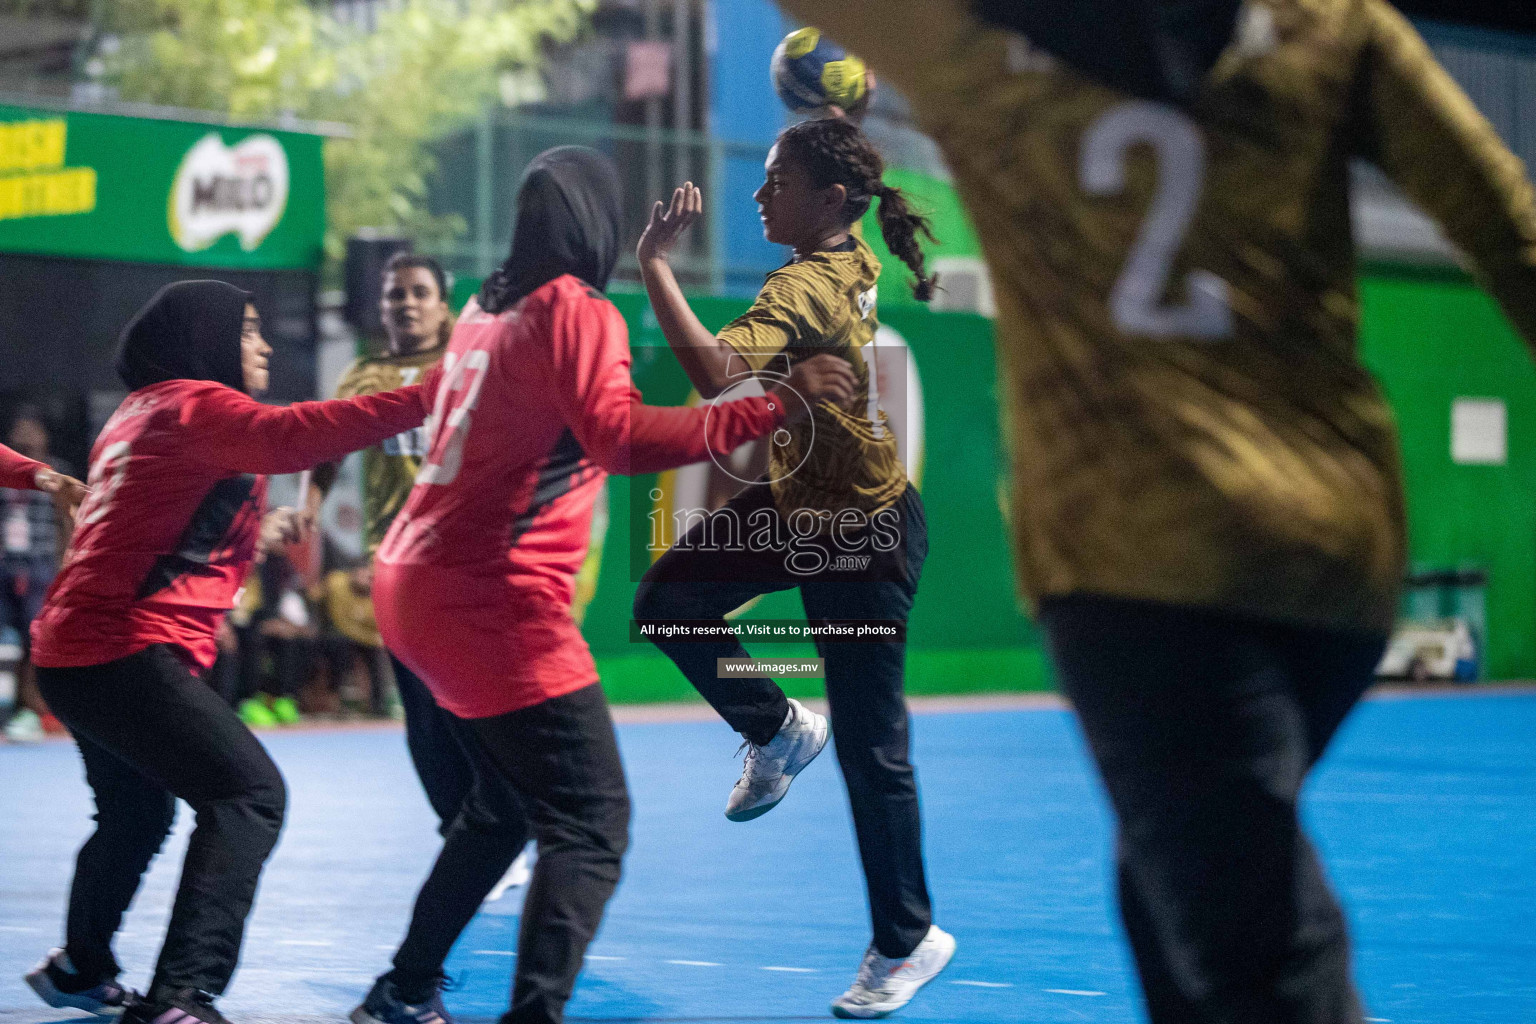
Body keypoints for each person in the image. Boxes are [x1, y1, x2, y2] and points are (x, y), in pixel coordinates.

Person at [765, 2, 1536, 1022]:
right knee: (1171, 889)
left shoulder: (983, 53)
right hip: (1337, 556)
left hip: (1142, 561)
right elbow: (1509, 228)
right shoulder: (1332, 27)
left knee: (1256, 954)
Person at [357, 145, 855, 1024]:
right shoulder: (574, 310)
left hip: (408, 586)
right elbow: (618, 440)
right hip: (489, 599)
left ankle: (401, 992)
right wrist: (777, 403)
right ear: (597, 222)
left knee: (502, 808)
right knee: (590, 827)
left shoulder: (482, 307)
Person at [23, 280, 442, 1024]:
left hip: (73, 652)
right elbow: (308, 432)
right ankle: (182, 998)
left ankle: (80, 968)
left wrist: (262, 530)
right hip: (126, 649)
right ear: (205, 340)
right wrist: (444, 389)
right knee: (248, 797)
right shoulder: (199, 406)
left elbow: (165, 528)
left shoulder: (140, 413)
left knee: (134, 816)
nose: (265, 345)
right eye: (248, 331)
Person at [631, 117, 951, 1020]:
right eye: (764, 176)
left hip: (863, 536)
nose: (761, 193)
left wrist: (654, 263)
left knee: (872, 748)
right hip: (800, 508)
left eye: (778, 180)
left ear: (832, 200)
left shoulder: (812, 282)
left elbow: (713, 373)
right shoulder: (848, 259)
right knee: (671, 601)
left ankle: (907, 940)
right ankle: (775, 726)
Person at [310, 252, 535, 903]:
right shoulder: (363, 377)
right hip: (399, 574)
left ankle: (506, 826)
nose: (404, 304)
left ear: (443, 302)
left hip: (470, 568)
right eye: (393, 295)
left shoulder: (472, 364)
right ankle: (462, 832)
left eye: (417, 293)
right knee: (424, 720)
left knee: (479, 709)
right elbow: (325, 444)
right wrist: (307, 507)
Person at [0, 410, 81, 740]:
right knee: (5, 642)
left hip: (42, 568)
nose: (27, 438)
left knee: (39, 640)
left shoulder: (59, 473)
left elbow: (67, 522)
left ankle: (34, 708)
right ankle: (8, 709)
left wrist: (67, 565)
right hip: (5, 568)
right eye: (20, 431)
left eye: (33, 431)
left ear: (45, 437)